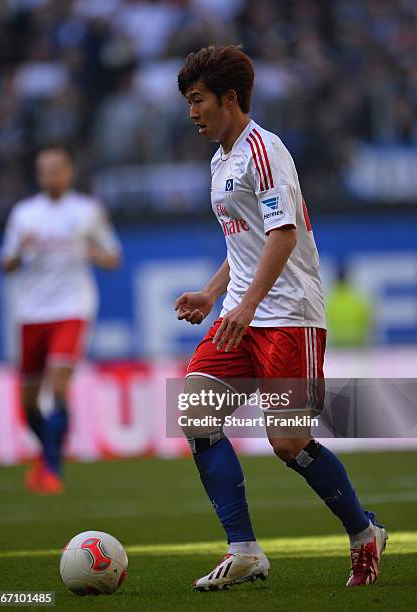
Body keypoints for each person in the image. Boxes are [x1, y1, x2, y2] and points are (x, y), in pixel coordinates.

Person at [175, 46, 387, 590]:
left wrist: (246, 305)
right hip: (242, 314)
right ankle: (244, 550)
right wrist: (212, 293)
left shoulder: (264, 152)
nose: (192, 112)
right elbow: (243, 243)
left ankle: (364, 533)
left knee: (288, 444)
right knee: (197, 413)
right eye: (187, 102)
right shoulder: (221, 162)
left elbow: (283, 235)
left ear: (229, 98)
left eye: (197, 100)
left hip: (289, 314)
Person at [0, 146, 121, 494]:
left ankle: (52, 469)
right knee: (27, 401)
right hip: (31, 311)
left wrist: (91, 251)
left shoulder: (87, 211)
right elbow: (5, 264)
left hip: (72, 308)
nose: (50, 176)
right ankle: (48, 454)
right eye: (44, 170)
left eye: (56, 169)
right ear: (38, 175)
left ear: (69, 172)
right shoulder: (24, 214)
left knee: (57, 384)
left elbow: (113, 257)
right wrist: (21, 250)